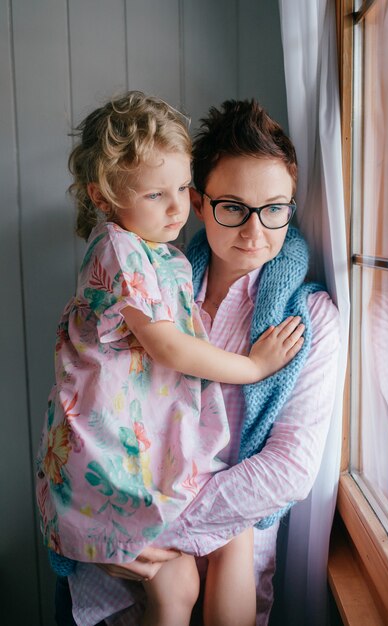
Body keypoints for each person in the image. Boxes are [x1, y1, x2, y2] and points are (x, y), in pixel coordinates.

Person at [56, 98, 340, 626]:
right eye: (233, 207)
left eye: (275, 208)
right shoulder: (158, 286)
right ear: (201, 201)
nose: (255, 233)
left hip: (198, 547)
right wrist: (112, 529)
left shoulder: (308, 318)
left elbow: (289, 472)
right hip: (122, 551)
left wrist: (148, 530)